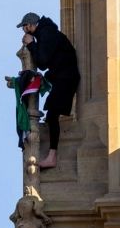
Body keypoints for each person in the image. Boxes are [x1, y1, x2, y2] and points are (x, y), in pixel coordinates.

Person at [18, 12, 80, 169]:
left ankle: (52, 156)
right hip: (62, 76)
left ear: (31, 25)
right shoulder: (46, 32)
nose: (24, 31)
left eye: (25, 27)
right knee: (51, 116)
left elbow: (43, 61)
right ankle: (51, 154)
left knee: (52, 115)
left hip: (66, 78)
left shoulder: (47, 32)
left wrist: (31, 44)